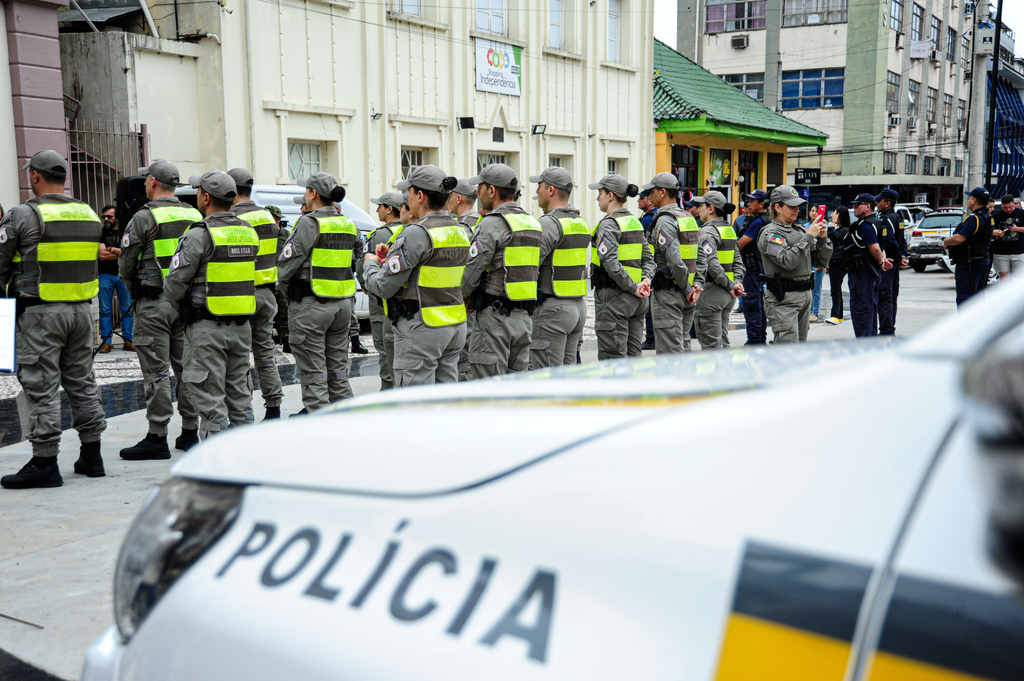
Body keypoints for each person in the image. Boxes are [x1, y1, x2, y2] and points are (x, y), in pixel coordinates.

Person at [0, 150, 107, 488]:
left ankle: (45, 462)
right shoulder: (88, 213)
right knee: (82, 382)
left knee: (41, 385)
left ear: (35, 176)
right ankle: (92, 455)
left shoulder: (23, 214)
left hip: (40, 312)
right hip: (80, 311)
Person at [163, 171, 258, 440]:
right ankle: (245, 461)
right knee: (241, 399)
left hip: (206, 330)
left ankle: (216, 470)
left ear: (205, 197)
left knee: (210, 403)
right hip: (241, 328)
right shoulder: (247, 232)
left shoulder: (198, 235)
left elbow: (173, 285)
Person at [118, 159, 202, 459]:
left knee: (155, 373)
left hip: (153, 304)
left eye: (145, 179)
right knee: (185, 369)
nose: (143, 183)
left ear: (153, 181)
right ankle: (190, 431)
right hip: (185, 304)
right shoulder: (194, 213)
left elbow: (127, 261)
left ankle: (157, 436)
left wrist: (133, 291)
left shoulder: (145, 217)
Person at [362, 166, 470, 386]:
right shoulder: (459, 229)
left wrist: (370, 265)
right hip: (454, 325)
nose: (406, 197)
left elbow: (383, 286)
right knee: (444, 401)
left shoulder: (417, 232)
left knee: (415, 405)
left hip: (423, 329)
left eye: (409, 192)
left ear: (420, 196)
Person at [278, 173, 361, 413]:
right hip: (342, 306)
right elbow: (356, 258)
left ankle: (322, 438)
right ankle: (347, 427)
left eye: (306, 190)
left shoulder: (308, 223)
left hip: (310, 307)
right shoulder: (347, 223)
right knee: (338, 374)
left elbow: (285, 268)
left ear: (313, 193)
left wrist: (289, 297)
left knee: (315, 378)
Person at [461, 164, 542, 377]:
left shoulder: (492, 223)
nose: (477, 192)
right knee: (516, 391)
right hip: (523, 320)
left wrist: (461, 297)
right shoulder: (532, 223)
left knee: (489, 391)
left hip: (494, 321)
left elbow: (472, 271)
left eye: (480, 187)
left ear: (492, 190)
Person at [227, 168, 283, 420]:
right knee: (265, 353)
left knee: (238, 357)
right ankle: (274, 407)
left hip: (242, 296)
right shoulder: (268, 217)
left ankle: (242, 411)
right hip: (267, 294)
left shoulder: (231, 218)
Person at [528, 166, 589, 368]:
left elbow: (530, 265)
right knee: (568, 376)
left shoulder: (548, 223)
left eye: (540, 187)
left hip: (553, 310)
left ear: (551, 190)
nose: (537, 192)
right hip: (578, 307)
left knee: (548, 379)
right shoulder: (580, 222)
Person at [756, 185, 832, 343]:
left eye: (797, 206)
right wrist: (809, 237)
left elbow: (820, 262)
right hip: (784, 298)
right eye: (792, 206)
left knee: (800, 347)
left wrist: (823, 238)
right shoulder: (771, 233)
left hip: (804, 295)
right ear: (777, 207)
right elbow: (787, 261)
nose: (797, 210)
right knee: (787, 347)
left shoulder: (799, 231)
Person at [590, 173, 654, 358]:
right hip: (638, 300)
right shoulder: (634, 221)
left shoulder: (609, 224)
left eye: (600, 192)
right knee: (633, 356)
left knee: (613, 359)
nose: (597, 197)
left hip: (615, 299)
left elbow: (610, 263)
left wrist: (635, 287)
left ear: (610, 195)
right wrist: (646, 281)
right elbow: (649, 259)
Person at [645, 173, 700, 355]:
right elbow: (700, 257)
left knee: (670, 352)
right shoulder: (687, 217)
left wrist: (686, 289)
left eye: (652, 191)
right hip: (687, 292)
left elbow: (674, 260)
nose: (649, 194)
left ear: (662, 192)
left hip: (670, 293)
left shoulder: (665, 220)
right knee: (683, 347)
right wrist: (695, 286)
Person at [359, 191, 404, 390]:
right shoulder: (411, 229)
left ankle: (388, 389)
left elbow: (363, 268)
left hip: (380, 299)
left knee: (385, 347)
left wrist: (367, 283)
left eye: (380, 206)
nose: (377, 209)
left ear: (389, 209)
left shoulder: (379, 235)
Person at [693, 191, 744, 349]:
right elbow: (738, 262)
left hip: (712, 294)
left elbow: (711, 263)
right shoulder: (728, 230)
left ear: (711, 209)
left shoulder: (707, 231)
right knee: (722, 341)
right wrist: (736, 283)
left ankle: (715, 374)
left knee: (711, 346)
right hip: (728, 295)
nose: (698, 209)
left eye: (701, 205)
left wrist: (731, 285)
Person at [842, 194, 893, 338]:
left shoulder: (865, 226)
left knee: (861, 310)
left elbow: (875, 248)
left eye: (857, 205)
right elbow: (881, 247)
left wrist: (881, 262)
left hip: (862, 274)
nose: (854, 208)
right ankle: (870, 340)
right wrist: (882, 261)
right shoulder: (877, 222)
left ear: (867, 206)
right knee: (870, 309)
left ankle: (865, 345)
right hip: (870, 273)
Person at [944, 187, 994, 307]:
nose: (969, 200)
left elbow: (959, 238)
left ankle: (967, 325)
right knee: (977, 297)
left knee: (966, 299)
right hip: (982, 260)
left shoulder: (975, 218)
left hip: (970, 264)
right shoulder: (987, 217)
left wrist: (946, 241)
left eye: (970, 198)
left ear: (973, 201)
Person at [97, 205, 134, 353]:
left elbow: (130, 252)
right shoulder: (101, 233)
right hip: (105, 274)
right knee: (105, 309)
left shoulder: (126, 232)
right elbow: (101, 255)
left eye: (109, 216)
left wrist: (110, 249)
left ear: (116, 217)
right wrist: (120, 252)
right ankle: (106, 341)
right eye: (104, 216)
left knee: (127, 309)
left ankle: (128, 340)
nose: (106, 219)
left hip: (123, 274)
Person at [736, 189, 769, 344]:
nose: (748, 204)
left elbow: (740, 244)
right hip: (759, 266)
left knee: (751, 304)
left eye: (752, 201)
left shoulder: (757, 222)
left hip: (752, 267)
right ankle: (759, 338)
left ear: (761, 204)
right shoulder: (765, 219)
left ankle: (755, 340)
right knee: (758, 304)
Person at [874, 188, 907, 335]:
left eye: (879, 201)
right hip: (895, 263)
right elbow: (902, 241)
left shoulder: (886, 219)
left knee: (885, 297)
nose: (877, 203)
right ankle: (890, 327)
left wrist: (900, 258)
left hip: (888, 263)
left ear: (887, 203)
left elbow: (891, 242)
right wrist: (903, 256)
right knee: (892, 296)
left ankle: (886, 329)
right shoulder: (898, 217)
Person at [269, 205, 292, 353]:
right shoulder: (260, 236)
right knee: (268, 315)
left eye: (278, 219)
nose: (276, 221)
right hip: (266, 281)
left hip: (282, 280)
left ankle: (287, 341)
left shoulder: (286, 236)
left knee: (285, 313)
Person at [637, 188, 658, 350]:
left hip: (649, 266)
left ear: (650, 200)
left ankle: (650, 338)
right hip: (656, 263)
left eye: (642, 198)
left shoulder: (647, 220)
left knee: (649, 303)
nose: (639, 200)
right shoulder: (657, 216)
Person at [825, 206, 851, 325]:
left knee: (835, 289)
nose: (833, 216)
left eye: (836, 215)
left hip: (839, 262)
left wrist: (832, 223)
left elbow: (832, 235)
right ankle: (838, 315)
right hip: (834, 261)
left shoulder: (845, 230)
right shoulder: (840, 229)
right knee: (836, 289)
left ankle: (835, 315)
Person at [990, 193, 1024, 279]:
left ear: (1014, 203)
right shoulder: (996, 216)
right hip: (1001, 252)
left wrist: (1017, 229)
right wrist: (997, 233)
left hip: (1019, 251)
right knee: (1004, 277)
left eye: (1010, 207)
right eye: (1005, 207)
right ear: (1001, 205)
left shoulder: (1022, 214)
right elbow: (990, 232)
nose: (1008, 210)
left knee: (1019, 277)